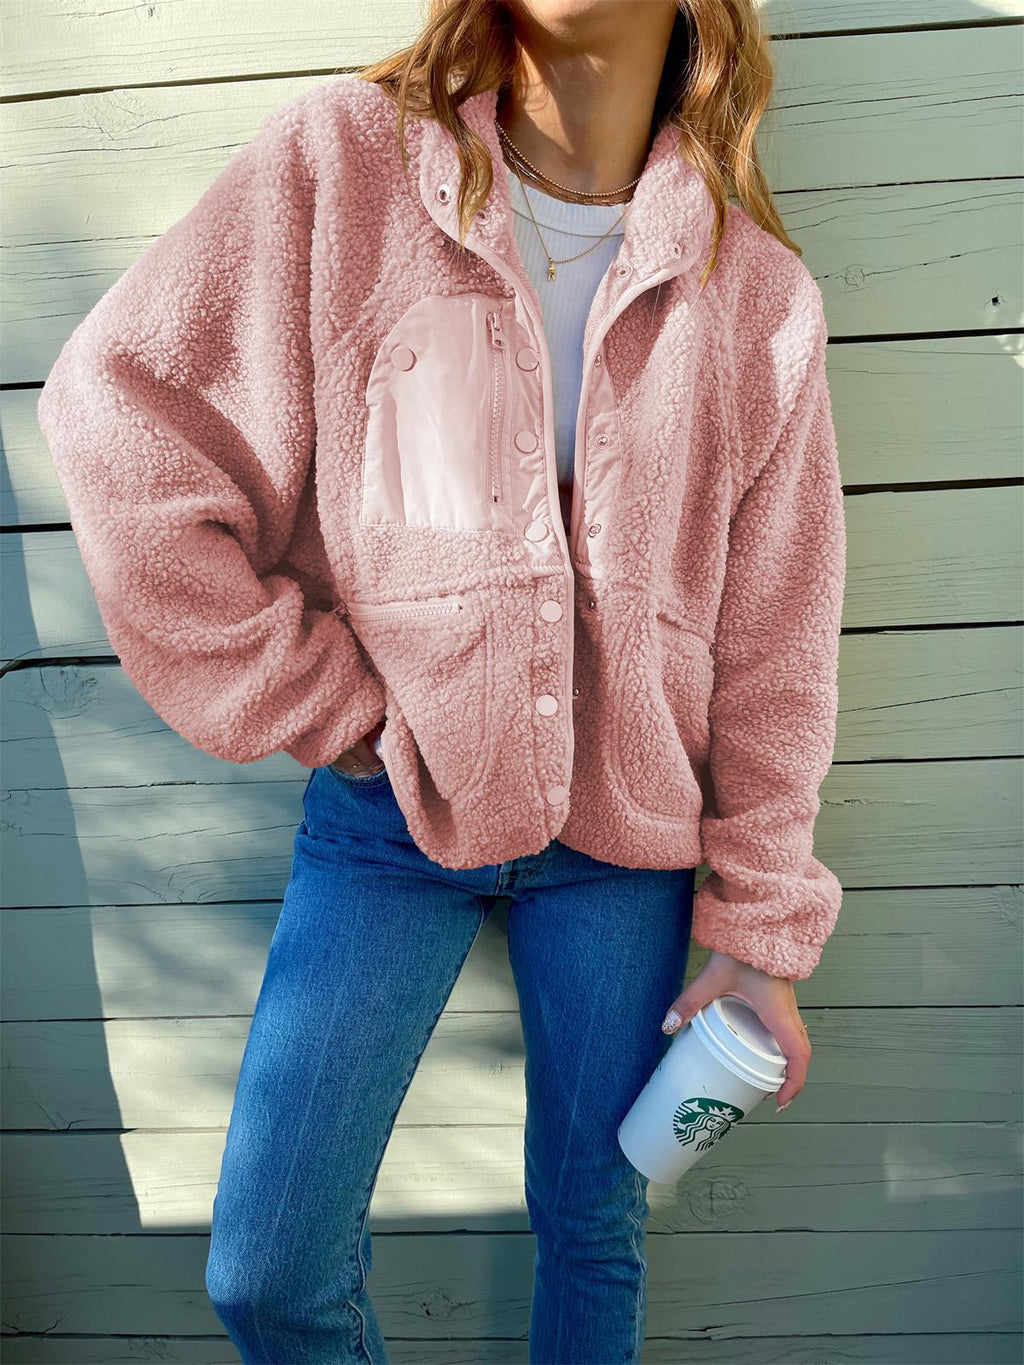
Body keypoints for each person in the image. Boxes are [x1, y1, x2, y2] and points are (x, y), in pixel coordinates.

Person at [36, 1, 847, 1360]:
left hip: (627, 843)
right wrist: (330, 705)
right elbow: (122, 421)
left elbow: (780, 643)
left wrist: (758, 936)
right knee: (270, 1269)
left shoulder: (755, 296)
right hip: (390, 817)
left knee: (594, 1226)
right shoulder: (346, 166)